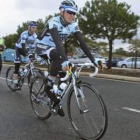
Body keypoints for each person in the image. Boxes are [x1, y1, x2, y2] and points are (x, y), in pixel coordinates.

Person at [36, 0, 98, 117]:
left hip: (55, 49)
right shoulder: (53, 21)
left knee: (67, 72)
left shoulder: (73, 25)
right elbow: (57, 42)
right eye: (69, 12)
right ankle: (48, 87)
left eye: (74, 13)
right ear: (61, 12)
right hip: (42, 47)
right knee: (61, 57)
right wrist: (64, 59)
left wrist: (93, 60)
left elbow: (82, 43)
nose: (72, 15)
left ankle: (56, 99)